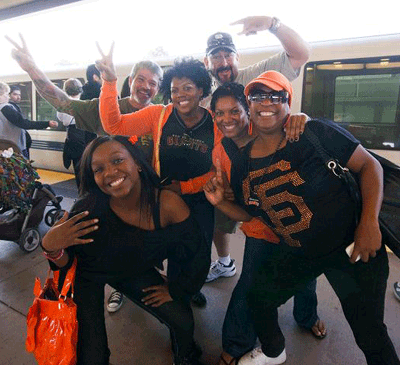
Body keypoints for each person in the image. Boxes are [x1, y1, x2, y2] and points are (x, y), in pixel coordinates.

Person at [204, 70, 399, 365]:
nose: (266, 102)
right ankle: (274, 352)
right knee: (259, 299)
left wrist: (369, 224)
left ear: (288, 102)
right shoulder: (243, 162)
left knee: (369, 333)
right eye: (258, 96)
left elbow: (370, 167)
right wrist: (220, 202)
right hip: (298, 252)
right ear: (250, 105)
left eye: (275, 96)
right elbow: (251, 212)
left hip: (351, 248)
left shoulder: (315, 133)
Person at [6, 34, 162, 312]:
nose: (146, 87)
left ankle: (152, 281)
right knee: (112, 248)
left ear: (158, 89)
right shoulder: (107, 108)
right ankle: (118, 289)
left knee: (145, 246)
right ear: (131, 80)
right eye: (141, 79)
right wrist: (31, 68)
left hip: (143, 200)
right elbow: (63, 103)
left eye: (153, 83)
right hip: (109, 198)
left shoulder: (160, 118)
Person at [41, 135, 209, 365]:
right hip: (87, 277)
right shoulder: (87, 210)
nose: (109, 173)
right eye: (98, 169)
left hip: (133, 271)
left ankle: (185, 356)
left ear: (138, 163)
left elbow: (196, 253)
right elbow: (68, 264)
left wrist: (178, 288)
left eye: (118, 160)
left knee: (181, 319)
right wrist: (51, 246)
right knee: (92, 357)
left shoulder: (167, 205)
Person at [206, 82, 325, 365]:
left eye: (234, 110)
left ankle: (307, 317)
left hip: (298, 224)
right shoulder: (220, 152)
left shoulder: (270, 129)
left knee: (306, 278)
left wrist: (303, 118)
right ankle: (236, 345)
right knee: (248, 286)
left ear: (247, 109)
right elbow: (238, 202)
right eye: (219, 113)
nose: (227, 119)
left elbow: (299, 128)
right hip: (260, 227)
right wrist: (221, 197)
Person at [96, 43, 219, 307]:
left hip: (200, 200)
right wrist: (109, 82)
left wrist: (185, 188)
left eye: (187, 88)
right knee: (174, 250)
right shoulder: (159, 115)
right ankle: (178, 296)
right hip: (163, 199)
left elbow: (217, 170)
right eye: (174, 90)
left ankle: (190, 287)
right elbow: (113, 124)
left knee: (199, 251)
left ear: (201, 90)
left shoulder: (214, 122)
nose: (180, 95)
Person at [203, 16, 311, 283]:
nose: (223, 62)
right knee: (228, 220)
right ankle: (226, 262)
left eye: (228, 55)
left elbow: (300, 55)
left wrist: (271, 24)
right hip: (235, 174)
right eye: (216, 57)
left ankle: (305, 308)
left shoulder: (257, 76)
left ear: (238, 57)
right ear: (207, 63)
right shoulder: (204, 95)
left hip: (271, 171)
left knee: (293, 235)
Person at [0, 81, 58, 159]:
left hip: (4, 147)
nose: (8, 97)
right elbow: (23, 123)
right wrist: (47, 123)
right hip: (13, 147)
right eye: (6, 94)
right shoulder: (5, 108)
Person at [56, 78, 91, 187]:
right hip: (86, 136)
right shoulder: (84, 104)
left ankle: (81, 193)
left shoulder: (61, 107)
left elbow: (61, 119)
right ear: (80, 90)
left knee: (78, 168)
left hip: (72, 138)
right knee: (87, 168)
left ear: (65, 90)